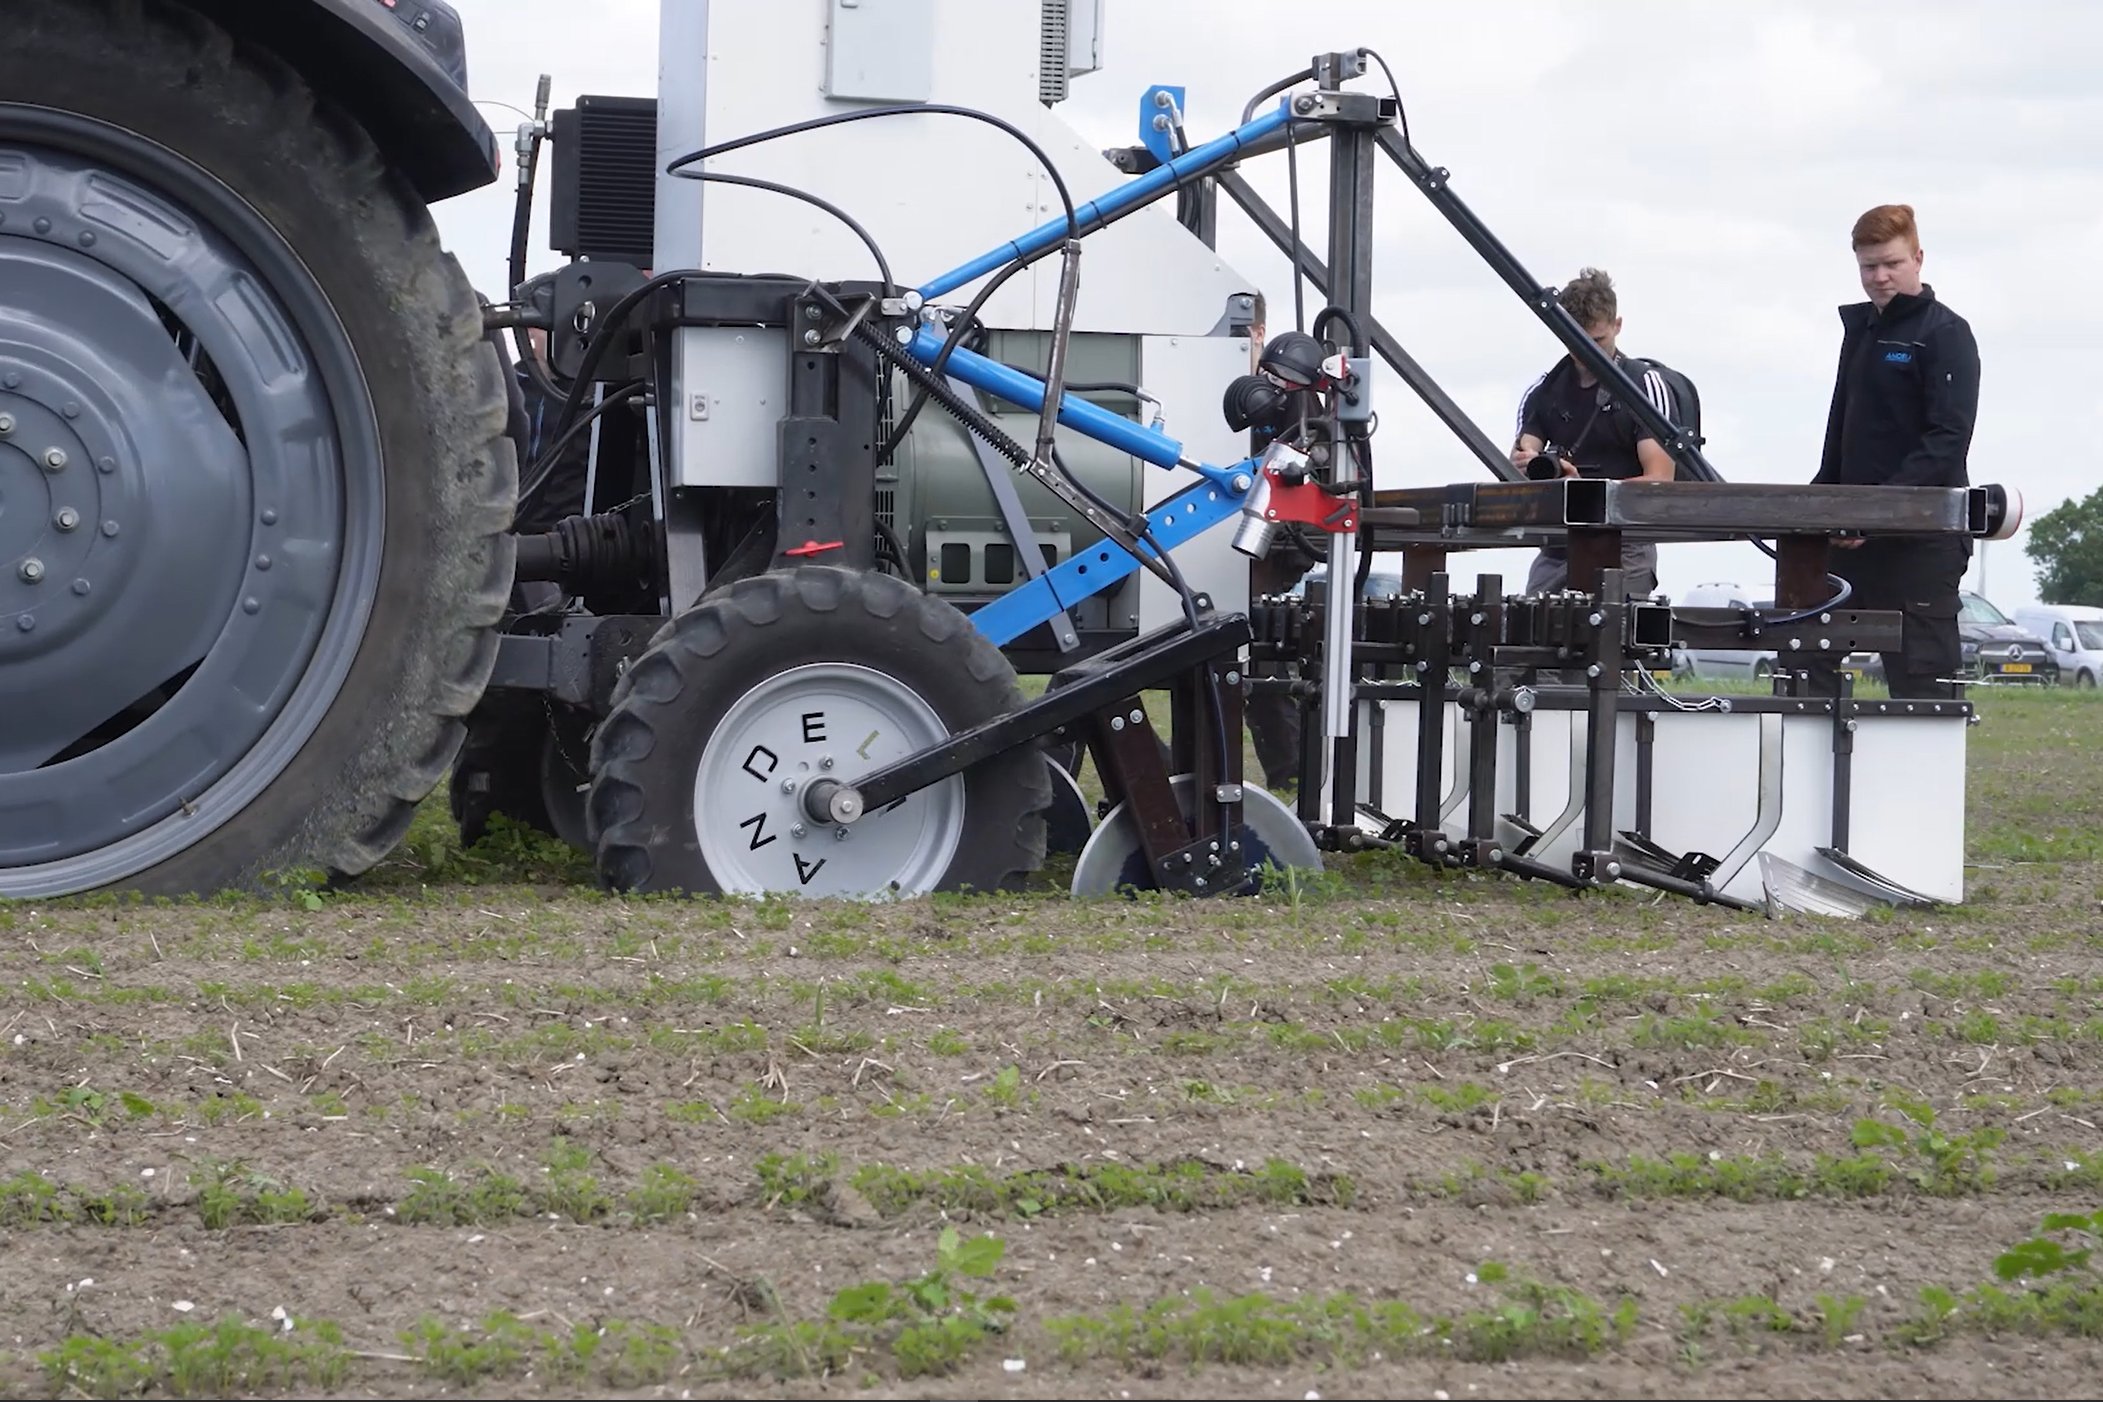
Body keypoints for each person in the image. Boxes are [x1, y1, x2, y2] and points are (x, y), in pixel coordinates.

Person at [1807, 204, 1981, 700]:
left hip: (1920, 543)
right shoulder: (1860, 331)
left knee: (1923, 686)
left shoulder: (1945, 334)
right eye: (1868, 266)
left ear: (1918, 259)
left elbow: (1948, 439)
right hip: (1849, 539)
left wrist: (1877, 512)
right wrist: (1818, 508)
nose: (1880, 277)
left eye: (1892, 264)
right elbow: (1841, 433)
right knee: (1805, 656)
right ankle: (1814, 774)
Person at [1510, 268, 1679, 597]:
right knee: (1531, 633)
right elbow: (1518, 468)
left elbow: (1659, 481)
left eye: (1597, 341)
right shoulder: (1544, 391)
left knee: (1614, 638)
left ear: (1617, 325)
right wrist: (1532, 466)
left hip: (1625, 544)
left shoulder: (1644, 387)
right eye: (1576, 342)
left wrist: (1583, 491)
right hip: (1559, 545)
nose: (1586, 353)